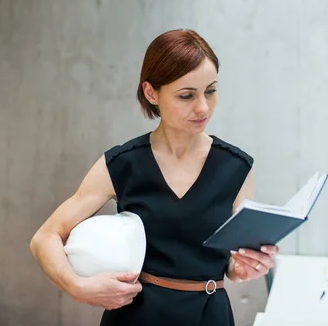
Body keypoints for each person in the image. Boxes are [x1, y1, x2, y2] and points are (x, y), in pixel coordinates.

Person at [29, 29, 279, 325]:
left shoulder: (236, 168)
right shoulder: (123, 164)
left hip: (209, 317)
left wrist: (245, 266)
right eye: (186, 95)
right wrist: (77, 287)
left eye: (210, 91)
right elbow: (45, 237)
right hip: (137, 316)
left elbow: (230, 264)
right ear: (151, 93)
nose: (203, 107)